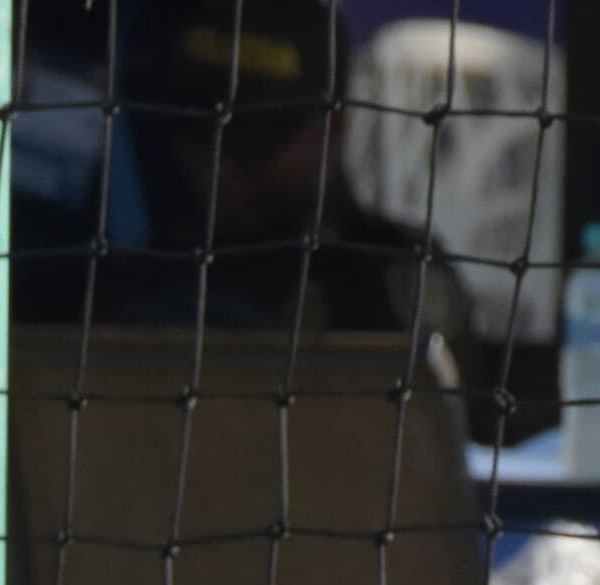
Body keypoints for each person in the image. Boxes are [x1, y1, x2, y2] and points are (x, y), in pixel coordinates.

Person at [90, 0, 419, 337]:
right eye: (202, 135)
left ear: (334, 126)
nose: (220, 170)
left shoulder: (390, 285)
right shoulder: (123, 275)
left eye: (252, 145)